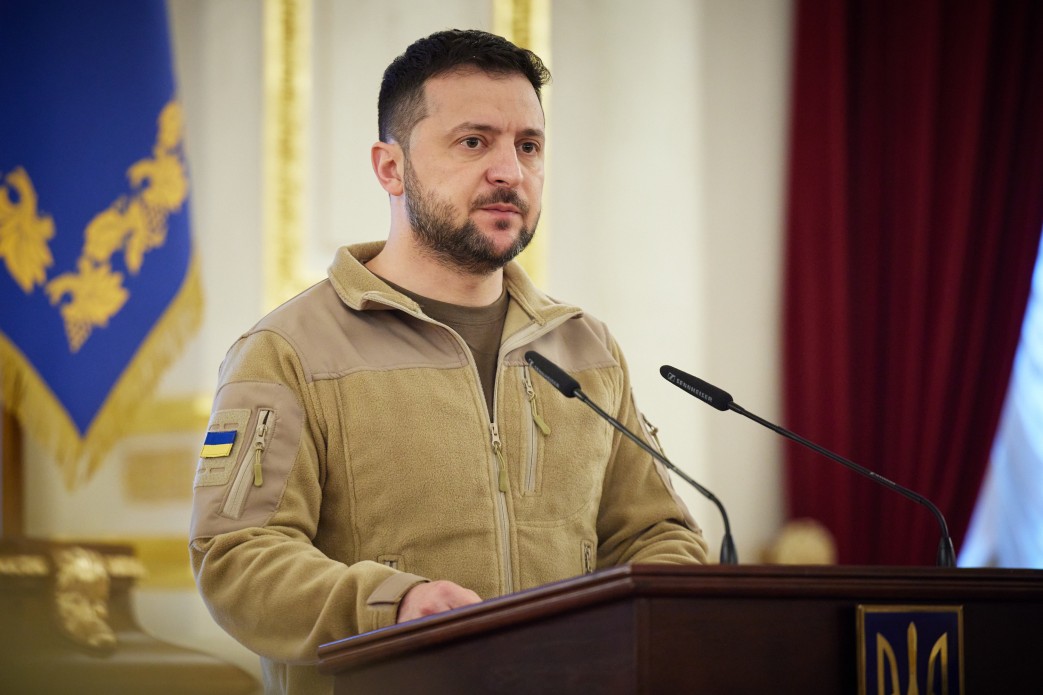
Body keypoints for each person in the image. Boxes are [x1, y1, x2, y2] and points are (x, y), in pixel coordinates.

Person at [190, 29, 708, 694]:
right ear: (390, 167)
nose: (509, 171)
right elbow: (237, 559)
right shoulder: (289, 351)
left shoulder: (586, 349)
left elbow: (657, 534)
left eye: (528, 146)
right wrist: (393, 604)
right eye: (473, 142)